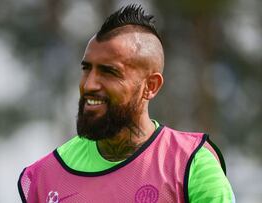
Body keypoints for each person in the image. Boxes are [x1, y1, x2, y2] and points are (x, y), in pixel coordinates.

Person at [18, 4, 235, 203]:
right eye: (86, 69)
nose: (90, 84)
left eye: (109, 72)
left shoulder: (191, 166)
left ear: (151, 86)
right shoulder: (43, 176)